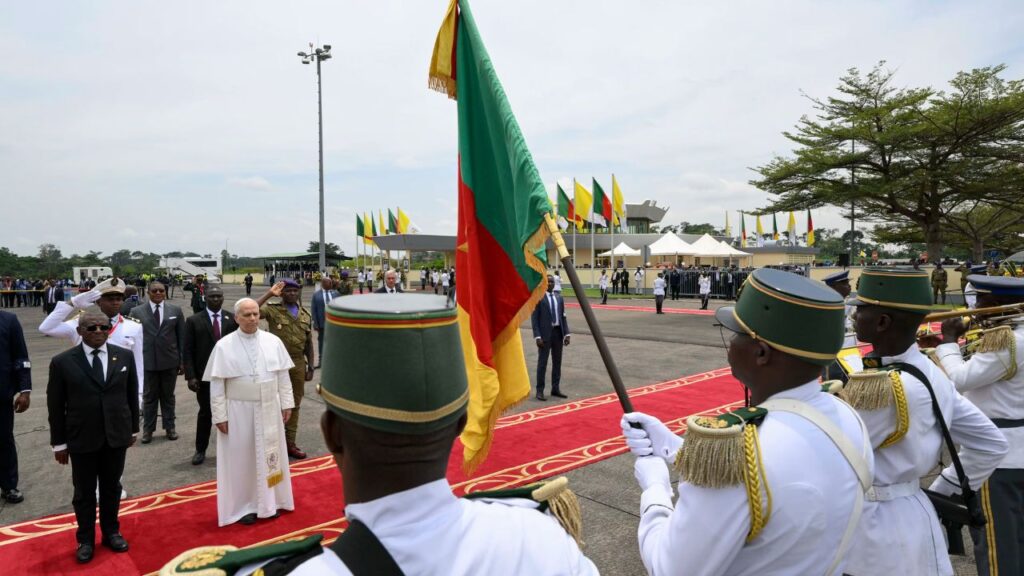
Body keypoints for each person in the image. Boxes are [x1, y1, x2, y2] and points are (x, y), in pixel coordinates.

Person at [620, 268, 873, 575]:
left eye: (737, 334)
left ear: (761, 352)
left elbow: (670, 567)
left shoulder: (742, 451)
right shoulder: (846, 415)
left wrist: (655, 489)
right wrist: (677, 449)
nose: (730, 344)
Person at [842, 267, 1008, 575]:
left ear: (882, 322)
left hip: (874, 527)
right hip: (915, 512)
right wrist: (941, 490)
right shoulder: (930, 371)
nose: (854, 315)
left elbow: (836, 459)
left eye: (861, 309)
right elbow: (991, 443)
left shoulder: (887, 388)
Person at [934, 274, 1024, 575]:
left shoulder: (1008, 341)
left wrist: (948, 342)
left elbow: (958, 380)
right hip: (1015, 454)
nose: (972, 310)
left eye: (979, 302)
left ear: (996, 305)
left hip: (999, 460)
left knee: (1000, 549)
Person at [47, 309, 140, 564]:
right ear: (79, 331)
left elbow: (131, 395)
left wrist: (133, 428)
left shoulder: (124, 356)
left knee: (112, 488)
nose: (98, 331)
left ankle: (111, 532)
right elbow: (56, 406)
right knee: (84, 492)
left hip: (116, 436)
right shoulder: (63, 362)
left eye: (103, 327)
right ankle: (85, 539)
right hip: (82, 438)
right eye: (91, 328)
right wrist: (59, 443)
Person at [203, 298, 295, 526]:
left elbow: (283, 376)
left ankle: (271, 503)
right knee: (241, 459)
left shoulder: (273, 341)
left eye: (255, 314)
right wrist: (219, 415)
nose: (252, 318)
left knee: (269, 456)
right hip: (238, 411)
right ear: (236, 318)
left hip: (269, 407)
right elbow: (216, 385)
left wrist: (287, 403)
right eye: (247, 314)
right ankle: (243, 507)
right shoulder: (224, 345)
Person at [256, 280, 314, 460]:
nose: (291, 294)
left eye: (295, 291)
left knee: (294, 405)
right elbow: (251, 309)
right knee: (271, 403)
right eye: (288, 291)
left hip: (297, 363)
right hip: (274, 364)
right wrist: (269, 294)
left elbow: (309, 343)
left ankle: (290, 443)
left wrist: (310, 365)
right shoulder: (273, 310)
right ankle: (271, 443)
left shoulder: (305, 314)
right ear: (282, 293)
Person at [183, 285, 238, 466]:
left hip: (230, 376)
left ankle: (232, 449)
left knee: (232, 413)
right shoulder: (193, 321)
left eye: (219, 296)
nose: (216, 299)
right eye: (212, 296)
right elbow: (188, 350)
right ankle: (200, 449)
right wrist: (190, 376)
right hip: (205, 377)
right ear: (205, 298)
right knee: (206, 413)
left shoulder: (232, 319)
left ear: (223, 298)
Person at [130, 282, 185, 444]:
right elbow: (132, 339)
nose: (159, 293)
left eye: (162, 290)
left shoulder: (175, 310)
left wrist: (182, 361)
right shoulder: (136, 311)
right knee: (149, 398)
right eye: (155, 291)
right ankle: (148, 430)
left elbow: (182, 337)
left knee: (168, 397)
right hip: (147, 362)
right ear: (148, 293)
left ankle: (170, 428)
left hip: (170, 361)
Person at [0, 309, 31, 504]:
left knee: (3, 441)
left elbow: (21, 357)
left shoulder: (8, 320)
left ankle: (9, 485)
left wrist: (25, 391)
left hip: (1, 394)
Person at [531, 275, 570, 401]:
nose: (551, 283)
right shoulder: (539, 298)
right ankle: (539, 391)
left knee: (557, 363)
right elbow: (535, 319)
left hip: (558, 334)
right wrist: (537, 336)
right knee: (542, 363)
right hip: (544, 335)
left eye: (552, 281)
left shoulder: (559, 298)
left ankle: (555, 388)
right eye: (548, 282)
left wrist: (567, 334)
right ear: (544, 284)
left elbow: (563, 316)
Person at [311, 277, 339, 366]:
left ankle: (334, 359)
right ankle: (321, 361)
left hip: (334, 323)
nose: (331, 284)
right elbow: (313, 309)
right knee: (322, 342)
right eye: (328, 283)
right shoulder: (316, 295)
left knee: (335, 341)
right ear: (323, 284)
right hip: (322, 323)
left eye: (331, 282)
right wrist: (315, 323)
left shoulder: (336, 294)